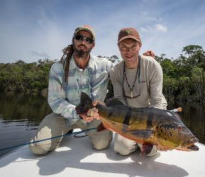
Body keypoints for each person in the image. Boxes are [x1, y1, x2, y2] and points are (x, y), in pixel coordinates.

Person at [29, 25, 113, 155]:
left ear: (93, 45)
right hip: (64, 116)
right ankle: (65, 130)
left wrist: (144, 60)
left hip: (94, 117)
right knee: (38, 148)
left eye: (88, 40)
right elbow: (55, 101)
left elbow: (125, 69)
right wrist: (78, 113)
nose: (83, 42)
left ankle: (86, 131)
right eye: (79, 37)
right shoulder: (57, 68)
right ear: (73, 40)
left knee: (102, 145)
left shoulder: (104, 65)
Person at [109, 27, 167, 156]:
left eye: (133, 46)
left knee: (150, 152)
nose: (128, 52)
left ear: (140, 46)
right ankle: (136, 142)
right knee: (121, 149)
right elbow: (119, 101)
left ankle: (139, 142)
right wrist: (129, 124)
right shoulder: (115, 71)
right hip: (129, 117)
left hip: (151, 115)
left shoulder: (153, 65)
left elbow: (157, 101)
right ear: (118, 48)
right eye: (124, 47)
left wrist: (149, 126)